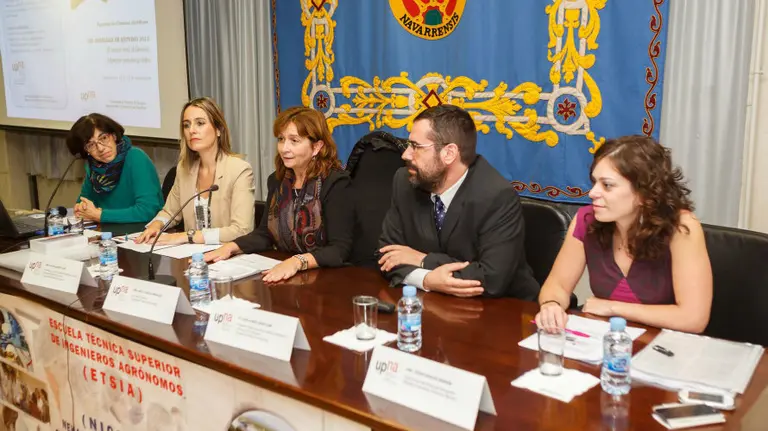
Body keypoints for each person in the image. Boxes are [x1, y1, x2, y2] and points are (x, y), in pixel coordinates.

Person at [535, 136, 712, 333]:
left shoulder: (682, 227)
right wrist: (551, 305)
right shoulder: (587, 219)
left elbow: (693, 318)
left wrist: (613, 308)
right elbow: (557, 285)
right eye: (594, 182)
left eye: (607, 185)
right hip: (609, 343)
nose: (593, 192)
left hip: (665, 348)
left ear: (643, 194)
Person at [378, 104, 539, 299]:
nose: (406, 155)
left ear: (449, 153)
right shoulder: (404, 181)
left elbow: (492, 278)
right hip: (433, 307)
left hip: (501, 311)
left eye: (416, 147)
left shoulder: (496, 196)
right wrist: (427, 280)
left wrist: (423, 260)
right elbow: (386, 256)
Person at [203, 107, 353, 283]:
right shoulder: (278, 180)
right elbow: (266, 233)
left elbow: (339, 249)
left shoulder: (335, 183)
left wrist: (297, 262)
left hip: (329, 280)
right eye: (281, 140)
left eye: (294, 141)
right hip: (287, 275)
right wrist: (232, 247)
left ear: (316, 147)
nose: (284, 148)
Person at [135, 97, 255, 245]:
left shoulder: (239, 169)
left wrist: (186, 236)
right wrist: (156, 225)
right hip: (192, 257)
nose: (192, 130)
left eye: (200, 123)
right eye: (186, 125)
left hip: (226, 257)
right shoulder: (184, 169)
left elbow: (242, 230)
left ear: (218, 129)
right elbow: (170, 212)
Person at [66, 114, 164, 223]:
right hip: (106, 233)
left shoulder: (136, 158)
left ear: (114, 136)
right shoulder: (94, 168)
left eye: (103, 138)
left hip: (142, 233)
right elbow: (83, 204)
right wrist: (81, 209)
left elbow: (148, 211)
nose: (101, 148)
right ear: (86, 151)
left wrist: (100, 215)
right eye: (91, 145)